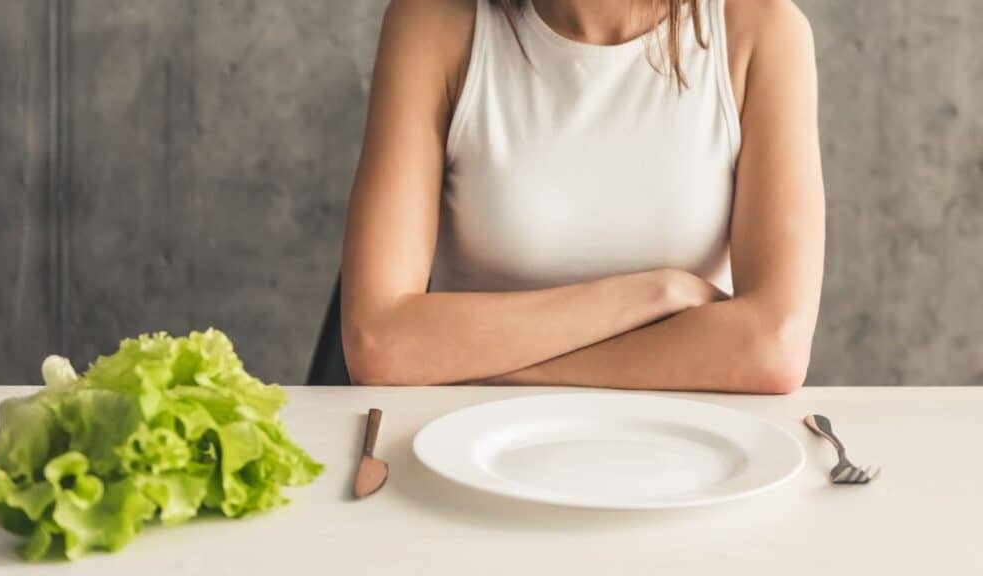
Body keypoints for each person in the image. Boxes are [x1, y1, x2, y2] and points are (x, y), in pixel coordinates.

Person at [340, 0, 824, 393]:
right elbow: (378, 340)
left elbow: (773, 348)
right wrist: (653, 293)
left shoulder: (762, 30)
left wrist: (470, 363)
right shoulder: (433, 22)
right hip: (462, 443)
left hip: (691, 448)